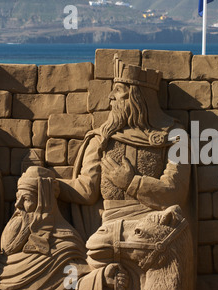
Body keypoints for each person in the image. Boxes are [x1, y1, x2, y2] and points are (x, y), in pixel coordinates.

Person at [57, 55, 191, 240]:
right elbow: (86, 190)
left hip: (154, 227)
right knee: (97, 247)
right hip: (109, 229)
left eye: (118, 90)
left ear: (138, 97)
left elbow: (175, 193)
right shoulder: (101, 139)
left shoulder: (175, 137)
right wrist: (49, 184)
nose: (110, 96)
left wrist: (131, 182)